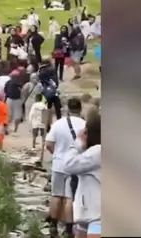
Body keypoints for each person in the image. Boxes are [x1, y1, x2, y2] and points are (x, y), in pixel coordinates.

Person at [44, 97, 86, 238]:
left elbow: (49, 143)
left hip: (58, 164)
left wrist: (56, 155)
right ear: (80, 109)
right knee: (69, 198)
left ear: (67, 108)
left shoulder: (59, 123)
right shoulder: (84, 125)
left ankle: (53, 226)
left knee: (56, 195)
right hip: (74, 165)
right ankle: (68, 229)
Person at [63, 114, 101, 238]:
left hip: (96, 217)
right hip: (89, 216)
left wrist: (78, 143)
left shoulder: (98, 152)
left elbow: (68, 165)